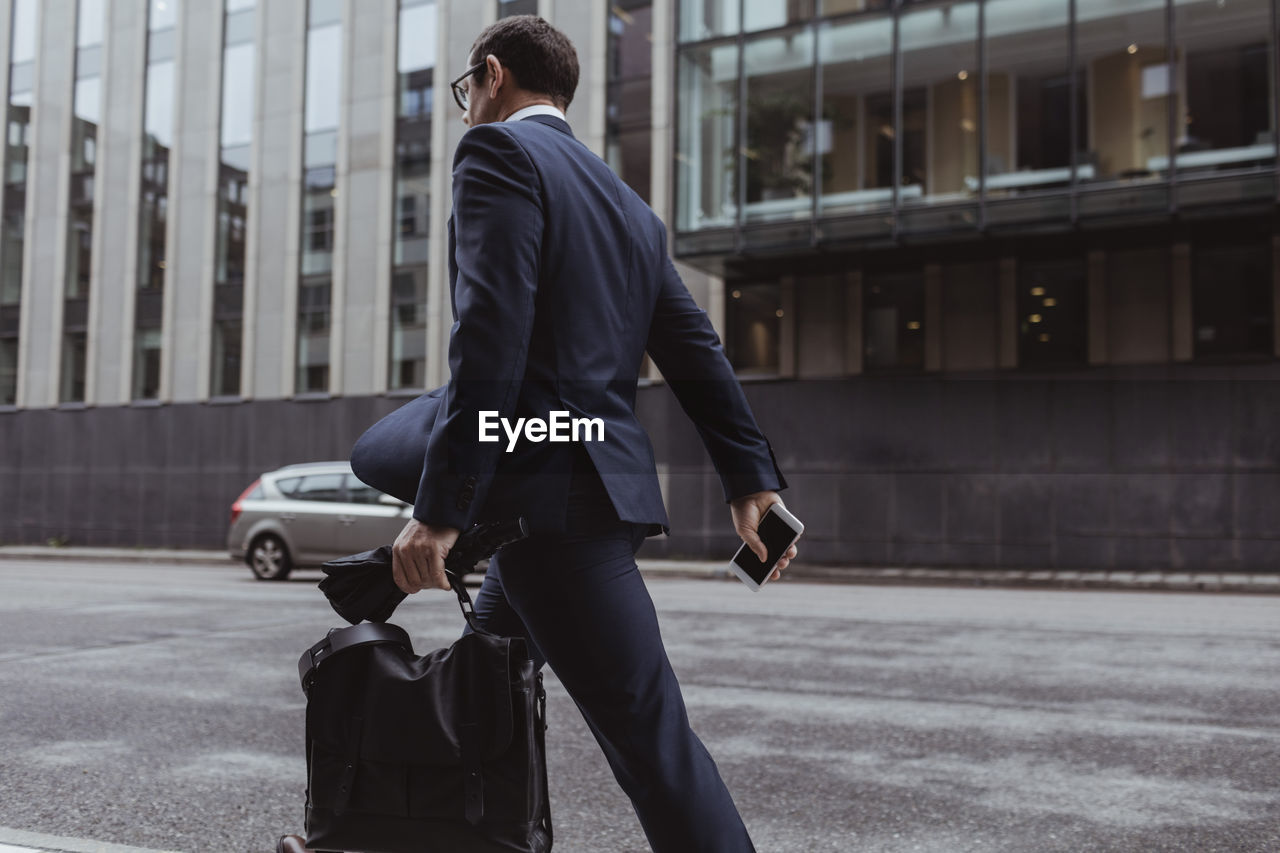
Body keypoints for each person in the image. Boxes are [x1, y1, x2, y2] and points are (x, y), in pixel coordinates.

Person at [279, 15, 796, 853]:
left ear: (492, 75)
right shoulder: (628, 207)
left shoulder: (498, 155)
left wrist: (441, 512)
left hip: (559, 513)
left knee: (653, 743)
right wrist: (752, 484)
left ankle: (476, 510)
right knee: (482, 699)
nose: (465, 108)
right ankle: (402, 831)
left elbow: (491, 335)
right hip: (574, 489)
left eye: (465, 91)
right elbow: (697, 353)